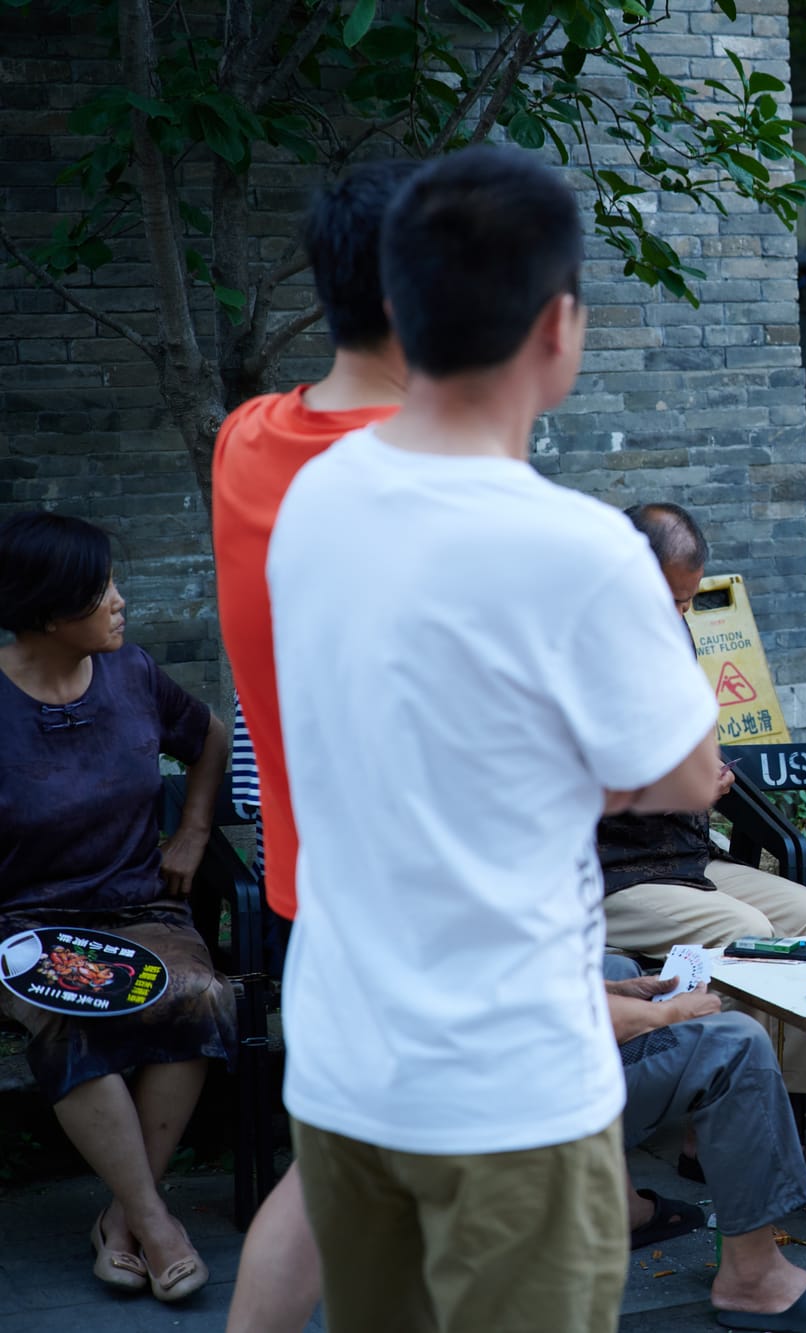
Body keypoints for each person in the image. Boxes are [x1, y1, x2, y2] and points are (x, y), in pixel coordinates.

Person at [267, 146, 726, 1333]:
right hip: (507, 1086)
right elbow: (681, 774)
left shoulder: (314, 494)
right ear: (557, 323)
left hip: (342, 1060)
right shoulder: (577, 550)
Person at [209, 156, 417, 1333]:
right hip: (416, 902)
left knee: (337, 1169)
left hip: (308, 890)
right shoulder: (422, 476)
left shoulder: (248, 439)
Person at [0, 511, 232, 1304]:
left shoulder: (131, 672)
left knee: (197, 995)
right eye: (100, 589)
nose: (120, 600)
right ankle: (154, 1224)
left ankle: (124, 1219)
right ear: (47, 609)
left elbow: (209, 734)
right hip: (24, 922)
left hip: (138, 906)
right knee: (71, 1008)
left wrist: (194, 831)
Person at [598, 501, 806, 1117]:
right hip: (612, 874)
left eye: (687, 602)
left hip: (686, 859)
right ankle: (718, 1119)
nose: (681, 615)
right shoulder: (580, 645)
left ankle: (786, 1110)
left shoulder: (666, 630)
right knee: (749, 936)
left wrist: (708, 773)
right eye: (672, 600)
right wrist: (680, 781)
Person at [599, 953, 806, 1329]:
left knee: (615, 968)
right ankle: (752, 1278)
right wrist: (670, 1013)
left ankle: (619, 1209)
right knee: (735, 1043)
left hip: (518, 1053)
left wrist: (612, 991)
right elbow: (548, 1009)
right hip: (523, 1097)